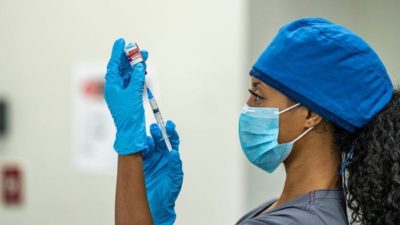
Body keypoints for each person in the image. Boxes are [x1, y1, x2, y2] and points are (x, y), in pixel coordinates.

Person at [104, 18, 400, 225]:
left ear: (311, 114)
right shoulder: (287, 209)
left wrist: (129, 144)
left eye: (257, 95)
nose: (248, 107)